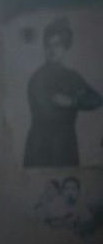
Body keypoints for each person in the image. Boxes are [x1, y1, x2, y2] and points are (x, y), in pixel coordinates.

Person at [23, 17, 101, 167]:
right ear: (44, 47)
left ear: (65, 47)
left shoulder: (73, 77)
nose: (52, 50)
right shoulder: (37, 79)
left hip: (66, 147)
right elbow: (48, 112)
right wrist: (75, 100)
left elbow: (97, 99)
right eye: (48, 45)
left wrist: (73, 101)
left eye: (57, 44)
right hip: (40, 148)